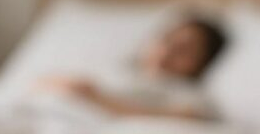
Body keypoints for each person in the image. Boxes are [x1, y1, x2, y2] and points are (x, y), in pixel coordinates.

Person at [37, 17, 227, 119]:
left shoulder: (186, 92)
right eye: (167, 40)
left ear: (202, 63)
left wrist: (98, 100)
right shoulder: (114, 71)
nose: (167, 52)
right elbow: (41, 84)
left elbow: (185, 121)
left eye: (183, 50)